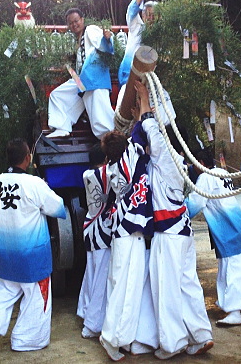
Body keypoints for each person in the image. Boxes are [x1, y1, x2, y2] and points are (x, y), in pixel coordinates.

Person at [135, 80, 213, 360]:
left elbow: (149, 126)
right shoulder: (179, 158)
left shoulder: (164, 151)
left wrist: (143, 97)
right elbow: (149, 127)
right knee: (187, 283)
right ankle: (201, 334)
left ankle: (172, 343)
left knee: (165, 286)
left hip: (168, 231)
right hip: (183, 229)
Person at [0, 138, 66, 351]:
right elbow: (58, 208)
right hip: (31, 255)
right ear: (28, 158)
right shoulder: (34, 184)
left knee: (4, 289)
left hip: (5, 253)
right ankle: (26, 340)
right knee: (37, 296)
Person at [186, 148, 241, 327]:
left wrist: (178, 211)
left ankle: (234, 311)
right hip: (238, 228)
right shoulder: (222, 172)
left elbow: (196, 203)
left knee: (233, 271)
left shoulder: (206, 177)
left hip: (228, 230)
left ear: (200, 162)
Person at [99, 113, 155, 361]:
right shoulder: (128, 163)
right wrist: (141, 115)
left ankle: (120, 337)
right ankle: (112, 338)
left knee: (122, 285)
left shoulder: (113, 168)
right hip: (128, 232)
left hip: (122, 232)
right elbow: (137, 139)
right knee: (126, 286)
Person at [115, 0, 175, 127]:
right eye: (148, 14)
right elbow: (131, 10)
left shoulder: (161, 37)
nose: (151, 17)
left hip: (150, 80)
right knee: (126, 109)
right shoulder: (137, 27)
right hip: (129, 75)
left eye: (155, 15)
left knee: (161, 110)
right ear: (143, 15)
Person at [47, 8, 115, 139]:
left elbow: (102, 43)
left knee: (101, 120)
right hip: (81, 81)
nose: (74, 25)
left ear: (82, 20)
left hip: (95, 79)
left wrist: (106, 39)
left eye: (76, 21)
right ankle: (62, 127)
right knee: (57, 96)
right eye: (70, 23)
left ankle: (112, 142)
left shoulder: (90, 30)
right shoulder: (77, 41)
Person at [77, 144, 114, 339]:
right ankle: (92, 324)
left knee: (91, 271)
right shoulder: (105, 173)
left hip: (89, 226)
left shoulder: (87, 174)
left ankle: (84, 310)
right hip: (103, 230)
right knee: (101, 275)